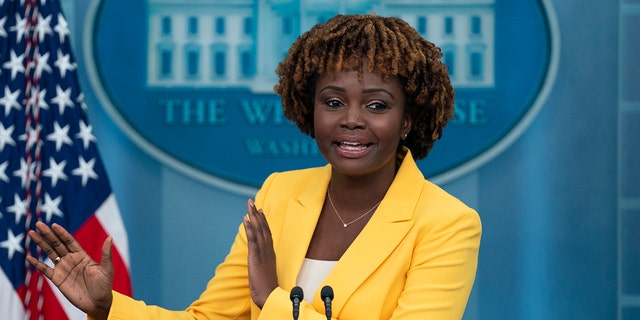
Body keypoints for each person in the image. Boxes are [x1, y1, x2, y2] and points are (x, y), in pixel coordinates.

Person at [27, 13, 481, 320]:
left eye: (377, 105)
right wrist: (110, 307)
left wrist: (270, 300)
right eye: (334, 102)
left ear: (409, 120)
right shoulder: (280, 194)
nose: (351, 119)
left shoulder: (446, 224)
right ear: (310, 109)